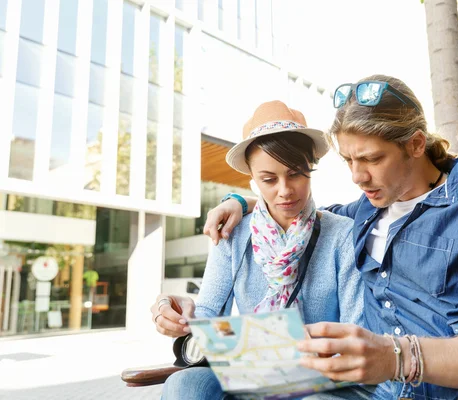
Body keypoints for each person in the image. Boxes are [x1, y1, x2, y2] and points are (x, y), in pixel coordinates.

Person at [203, 75, 458, 399]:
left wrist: (395, 357)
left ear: (416, 144)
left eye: (372, 159)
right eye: (348, 161)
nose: (357, 177)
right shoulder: (360, 213)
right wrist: (241, 201)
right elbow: (293, 210)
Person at [150, 100, 369, 400]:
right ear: (252, 180)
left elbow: (355, 333)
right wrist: (175, 311)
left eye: (296, 174)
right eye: (268, 179)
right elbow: (208, 316)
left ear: (310, 169)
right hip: (249, 374)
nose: (284, 190)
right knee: (182, 385)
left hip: (322, 381)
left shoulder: (341, 235)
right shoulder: (233, 233)